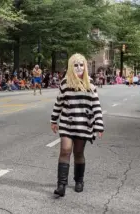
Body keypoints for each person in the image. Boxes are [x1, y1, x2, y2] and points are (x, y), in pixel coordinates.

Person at [50, 53, 104, 197]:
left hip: (84, 125)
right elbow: (59, 103)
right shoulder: (65, 83)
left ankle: (79, 180)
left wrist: (99, 124)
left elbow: (96, 106)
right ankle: (61, 185)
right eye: (75, 65)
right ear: (70, 66)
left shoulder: (90, 84)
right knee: (65, 150)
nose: (79, 68)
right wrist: (54, 120)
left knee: (78, 153)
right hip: (67, 123)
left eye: (81, 65)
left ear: (85, 66)